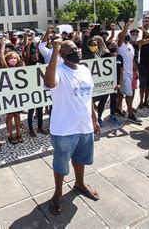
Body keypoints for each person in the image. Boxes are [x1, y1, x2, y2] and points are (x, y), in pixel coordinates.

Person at [44, 38, 101, 216]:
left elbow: (89, 97)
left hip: (84, 126)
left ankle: (80, 183)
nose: (75, 51)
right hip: (64, 129)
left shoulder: (84, 69)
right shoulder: (58, 70)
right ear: (62, 55)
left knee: (81, 158)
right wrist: (55, 49)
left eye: (76, 48)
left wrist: (94, 118)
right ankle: (58, 193)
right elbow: (49, 83)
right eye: (70, 50)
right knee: (61, 165)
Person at [0, 38, 26, 144]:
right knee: (9, 115)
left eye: (15, 58)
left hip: (17, 94)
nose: (13, 60)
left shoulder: (20, 68)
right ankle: (10, 134)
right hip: (7, 94)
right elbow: (1, 57)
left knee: (17, 115)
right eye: (11, 58)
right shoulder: (5, 67)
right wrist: (2, 46)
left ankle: (19, 132)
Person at [116, 19, 142, 123]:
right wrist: (127, 25)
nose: (127, 35)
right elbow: (122, 36)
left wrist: (136, 71)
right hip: (124, 73)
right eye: (125, 34)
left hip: (131, 72)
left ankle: (118, 109)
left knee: (122, 92)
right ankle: (130, 114)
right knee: (129, 94)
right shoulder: (120, 45)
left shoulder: (131, 46)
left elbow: (132, 60)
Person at [23, 34, 48, 137]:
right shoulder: (29, 63)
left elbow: (39, 48)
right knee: (31, 111)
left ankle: (40, 127)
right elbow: (27, 53)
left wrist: (41, 40)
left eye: (36, 54)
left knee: (40, 110)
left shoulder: (39, 64)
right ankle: (30, 129)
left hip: (39, 89)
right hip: (31, 90)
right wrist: (28, 44)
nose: (35, 56)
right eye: (33, 54)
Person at [97, 41, 123, 127]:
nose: (114, 46)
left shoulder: (119, 57)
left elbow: (121, 71)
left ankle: (112, 116)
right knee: (103, 101)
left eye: (115, 45)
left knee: (113, 100)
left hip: (115, 84)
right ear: (108, 47)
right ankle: (99, 117)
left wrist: (119, 84)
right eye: (112, 45)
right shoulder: (104, 56)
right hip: (106, 83)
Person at [134, 20, 149, 109]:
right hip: (142, 67)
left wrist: (145, 28)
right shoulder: (142, 43)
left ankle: (145, 101)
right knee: (142, 86)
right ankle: (140, 102)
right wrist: (144, 29)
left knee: (148, 86)